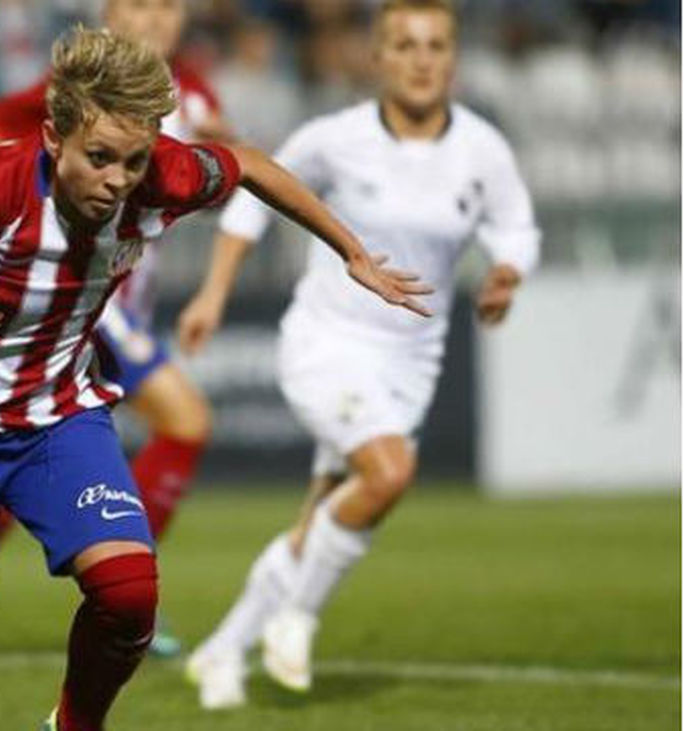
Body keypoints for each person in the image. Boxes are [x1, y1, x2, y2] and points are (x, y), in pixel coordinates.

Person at [0, 26, 429, 731]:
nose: (117, 181)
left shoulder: (163, 176)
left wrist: (352, 251)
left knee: (129, 593)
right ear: (54, 138)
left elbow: (250, 165)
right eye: (100, 158)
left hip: (58, 416)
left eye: (133, 161)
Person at [181, 0, 541, 709]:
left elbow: (517, 227)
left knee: (324, 515)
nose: (421, 58)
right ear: (376, 58)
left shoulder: (482, 149)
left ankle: (221, 651)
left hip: (411, 362)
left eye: (435, 45)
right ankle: (298, 617)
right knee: (390, 470)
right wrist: (213, 294)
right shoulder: (334, 138)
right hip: (328, 343)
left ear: (453, 57)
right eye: (404, 44)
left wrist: (506, 272)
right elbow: (252, 198)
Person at [0, 0, 231, 656]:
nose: (157, 20)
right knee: (186, 420)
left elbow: (225, 174)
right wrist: (33, 204)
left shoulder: (189, 89)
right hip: (81, 298)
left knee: (22, 458)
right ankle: (126, 592)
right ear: (111, 12)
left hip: (122, 302)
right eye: (141, 5)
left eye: (170, 6)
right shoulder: (80, 90)